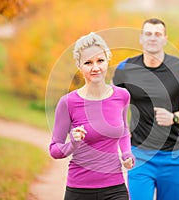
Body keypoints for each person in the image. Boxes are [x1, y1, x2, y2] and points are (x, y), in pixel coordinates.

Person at [112, 18, 179, 200]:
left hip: (172, 156)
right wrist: (122, 128)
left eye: (157, 34)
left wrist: (175, 117)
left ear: (165, 39)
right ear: (141, 38)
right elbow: (111, 103)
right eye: (148, 34)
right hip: (139, 154)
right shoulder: (125, 68)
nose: (152, 38)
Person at [49, 32, 134, 200]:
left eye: (100, 61)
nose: (95, 68)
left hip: (115, 187)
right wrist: (72, 144)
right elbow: (54, 150)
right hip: (79, 189)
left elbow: (123, 129)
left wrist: (126, 154)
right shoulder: (68, 102)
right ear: (80, 67)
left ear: (107, 60)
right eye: (88, 63)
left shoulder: (122, 95)